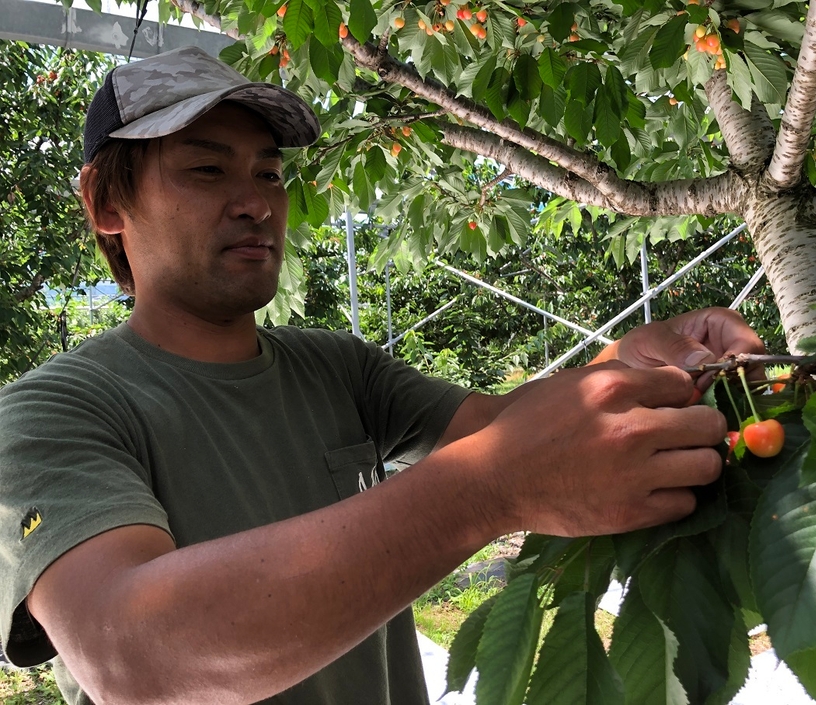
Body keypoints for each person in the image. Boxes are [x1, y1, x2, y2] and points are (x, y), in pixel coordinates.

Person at [0, 46, 764, 705]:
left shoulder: (335, 367)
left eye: (269, 174)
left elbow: (511, 431)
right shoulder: (50, 413)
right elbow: (132, 654)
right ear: (105, 202)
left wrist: (630, 363)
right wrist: (485, 492)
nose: (256, 204)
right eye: (206, 170)